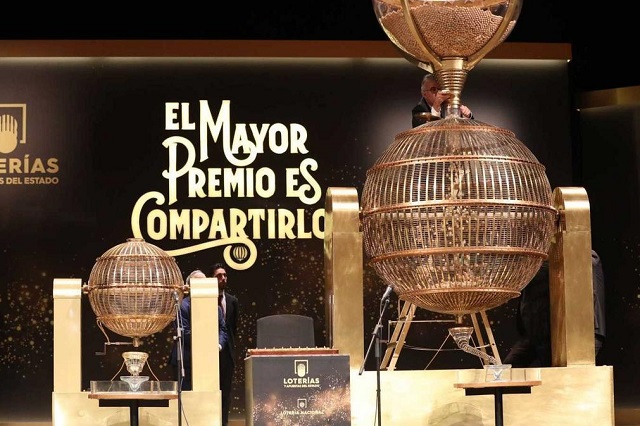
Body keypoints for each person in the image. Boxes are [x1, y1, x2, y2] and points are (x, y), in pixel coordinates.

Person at [504, 250, 606, 367]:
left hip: (576, 334)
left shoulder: (584, 255)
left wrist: (534, 262)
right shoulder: (537, 262)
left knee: (562, 373)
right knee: (507, 369)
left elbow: (557, 269)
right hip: (538, 333)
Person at [169, 269, 228, 391]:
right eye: (199, 282)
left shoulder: (215, 307)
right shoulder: (182, 306)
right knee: (187, 396)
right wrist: (208, 344)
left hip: (209, 363)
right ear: (190, 287)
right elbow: (184, 332)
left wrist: (218, 345)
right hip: (187, 361)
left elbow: (223, 329)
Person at [212, 262, 239, 426]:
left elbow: (233, 328)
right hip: (209, 351)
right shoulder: (205, 299)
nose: (223, 278)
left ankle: (224, 423)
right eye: (219, 276)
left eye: (225, 275)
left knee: (226, 392)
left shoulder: (232, 301)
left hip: (227, 353)